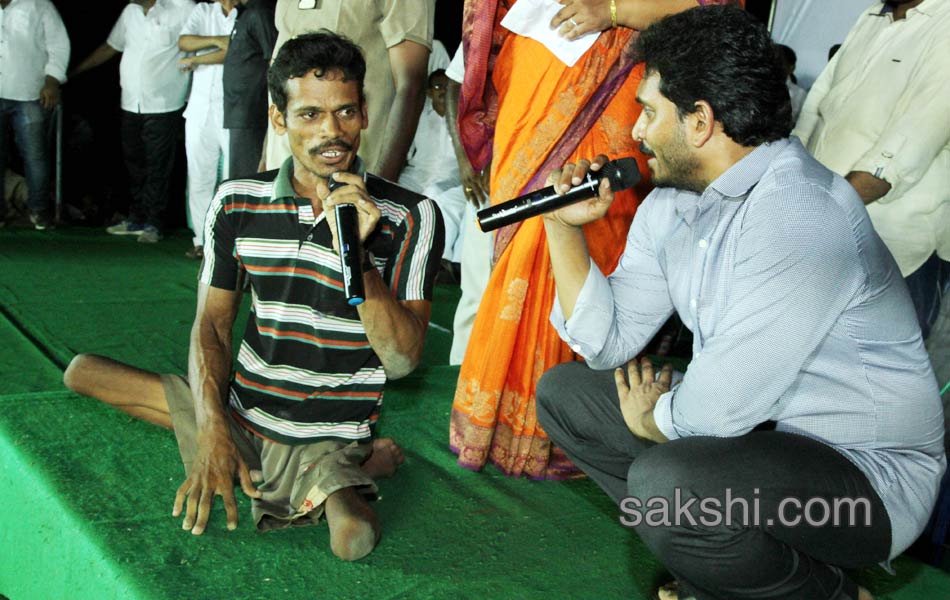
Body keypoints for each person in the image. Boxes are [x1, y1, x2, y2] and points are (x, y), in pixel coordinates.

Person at [534, 6, 945, 600]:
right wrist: (562, 228)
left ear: (700, 121)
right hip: (757, 441)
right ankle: (724, 564)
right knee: (566, 396)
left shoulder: (802, 215)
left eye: (649, 111)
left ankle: (823, 590)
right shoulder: (673, 203)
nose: (638, 132)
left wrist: (654, 419)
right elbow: (607, 342)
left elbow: (711, 415)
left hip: (866, 486)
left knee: (667, 482)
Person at [63, 31, 444, 561]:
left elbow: (401, 361)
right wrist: (215, 427)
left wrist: (354, 253)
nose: (332, 132)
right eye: (310, 114)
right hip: (242, 417)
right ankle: (337, 478)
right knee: (82, 371)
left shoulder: (410, 216)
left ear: (363, 112)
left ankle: (343, 474)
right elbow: (213, 326)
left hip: (327, 434)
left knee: (352, 540)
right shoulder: (237, 201)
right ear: (278, 118)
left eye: (346, 112)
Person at [450, 0, 739, 479]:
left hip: (619, 71)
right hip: (536, 64)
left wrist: (614, 10)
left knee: (597, 217)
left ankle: (571, 426)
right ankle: (500, 418)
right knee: (529, 231)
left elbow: (717, 8)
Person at [793, 0, 950, 340]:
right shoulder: (871, 16)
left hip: (890, 250)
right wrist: (790, 184)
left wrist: (819, 211)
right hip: (820, 232)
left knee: (873, 380)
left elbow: (904, 150)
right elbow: (816, 107)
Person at [262, 0, 434, 182]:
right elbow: (280, 83)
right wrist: (265, 160)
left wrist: (382, 186)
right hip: (283, 168)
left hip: (354, 171)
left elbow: (411, 87)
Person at [71, 0, 196, 243]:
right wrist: (77, 71)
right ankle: (137, 217)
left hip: (164, 103)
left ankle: (154, 223)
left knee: (158, 166)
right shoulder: (130, 13)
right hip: (130, 101)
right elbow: (111, 46)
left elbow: (196, 50)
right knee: (134, 163)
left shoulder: (183, 9)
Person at [0, 0, 70, 230]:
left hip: (29, 92)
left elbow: (59, 45)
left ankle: (39, 211)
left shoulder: (40, 5)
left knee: (35, 156)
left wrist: (52, 81)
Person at [178, 0, 238, 259]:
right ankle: (201, 239)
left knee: (231, 177)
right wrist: (221, 40)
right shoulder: (202, 11)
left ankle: (231, 242)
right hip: (200, 107)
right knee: (199, 176)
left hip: (232, 107)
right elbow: (184, 42)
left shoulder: (247, 13)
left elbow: (236, 50)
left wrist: (198, 58)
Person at [222, 0, 277, 179]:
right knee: (239, 176)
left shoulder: (258, 13)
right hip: (238, 110)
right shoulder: (244, 14)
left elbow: (274, 60)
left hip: (251, 110)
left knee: (246, 179)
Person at [774, 44, 806, 122]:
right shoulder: (754, 85)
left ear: (792, 67)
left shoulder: (799, 94)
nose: (774, 65)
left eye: (779, 62)